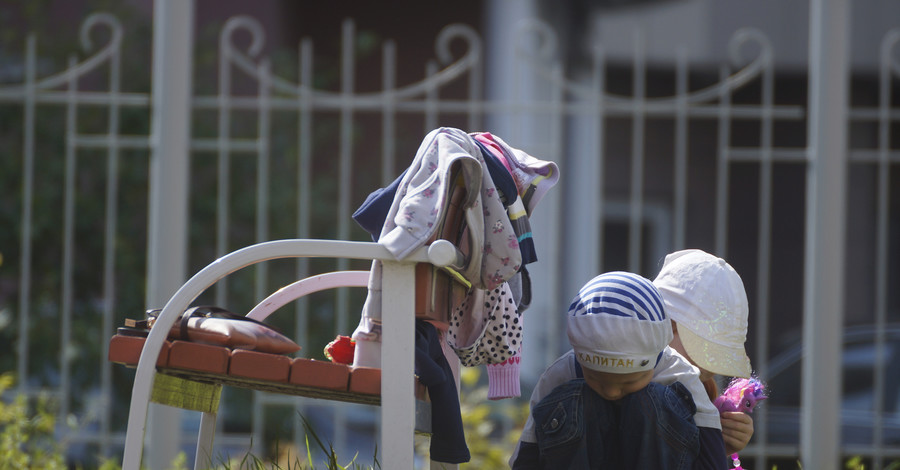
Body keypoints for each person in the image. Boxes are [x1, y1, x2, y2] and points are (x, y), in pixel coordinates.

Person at [510, 271, 728, 469]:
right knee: (575, 398)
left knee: (651, 400)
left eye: (628, 382)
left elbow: (710, 450)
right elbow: (530, 446)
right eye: (597, 379)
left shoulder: (677, 372)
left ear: (657, 356)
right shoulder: (560, 373)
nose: (612, 392)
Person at [653, 248, 756, 455]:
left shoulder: (702, 393)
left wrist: (719, 444)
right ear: (668, 325)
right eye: (705, 351)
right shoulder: (622, 382)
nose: (709, 369)